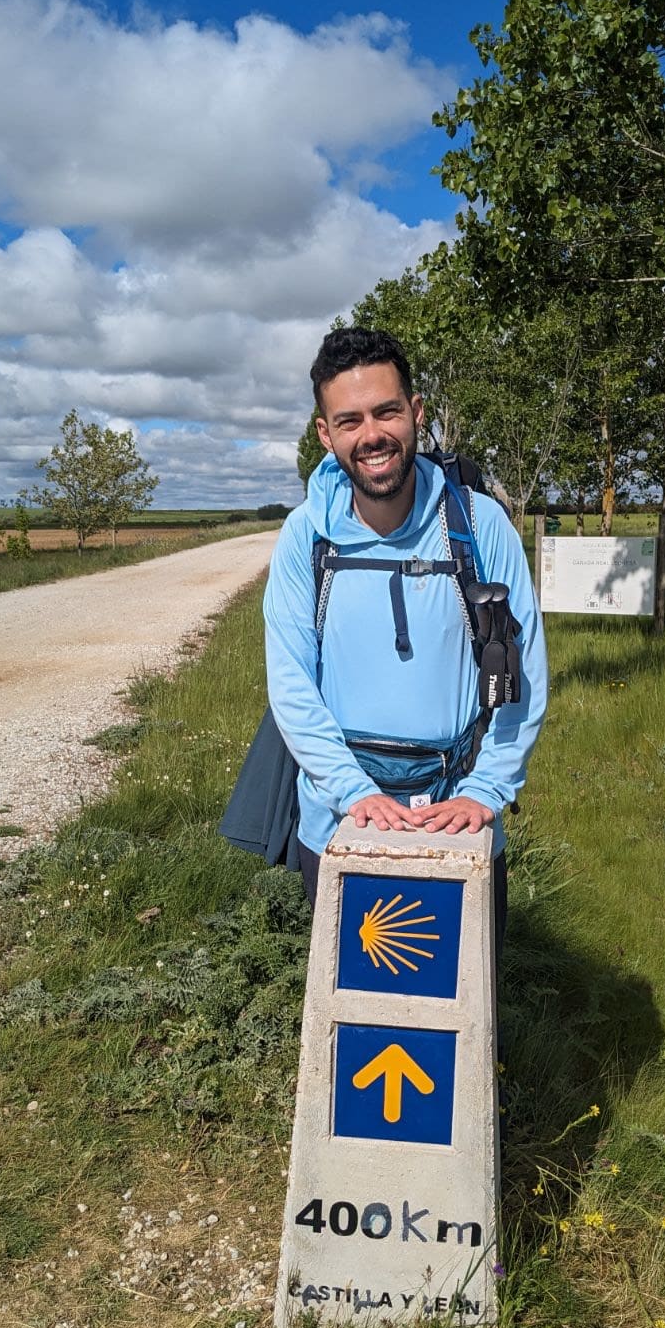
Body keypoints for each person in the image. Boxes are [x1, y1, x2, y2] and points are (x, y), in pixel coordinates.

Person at [264, 327, 548, 938]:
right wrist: (352, 793)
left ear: (416, 414)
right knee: (359, 1012)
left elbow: (523, 673)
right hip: (341, 822)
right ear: (325, 434)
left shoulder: (479, 524)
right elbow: (291, 683)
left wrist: (488, 791)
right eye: (349, 420)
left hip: (461, 818)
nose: (372, 435)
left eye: (387, 411)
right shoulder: (305, 537)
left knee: (466, 1016)